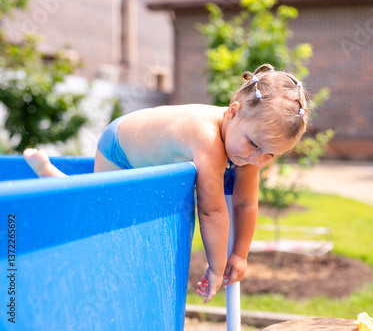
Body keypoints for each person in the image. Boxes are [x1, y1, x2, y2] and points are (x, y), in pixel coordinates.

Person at [23, 63, 310, 304]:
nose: (256, 157)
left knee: (120, 217)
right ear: (233, 112)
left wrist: (240, 254)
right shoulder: (207, 137)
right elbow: (211, 211)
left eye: (270, 155)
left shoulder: (248, 143)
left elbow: (246, 202)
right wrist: (215, 266)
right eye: (254, 145)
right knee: (99, 214)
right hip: (121, 147)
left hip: (152, 155)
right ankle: (53, 176)